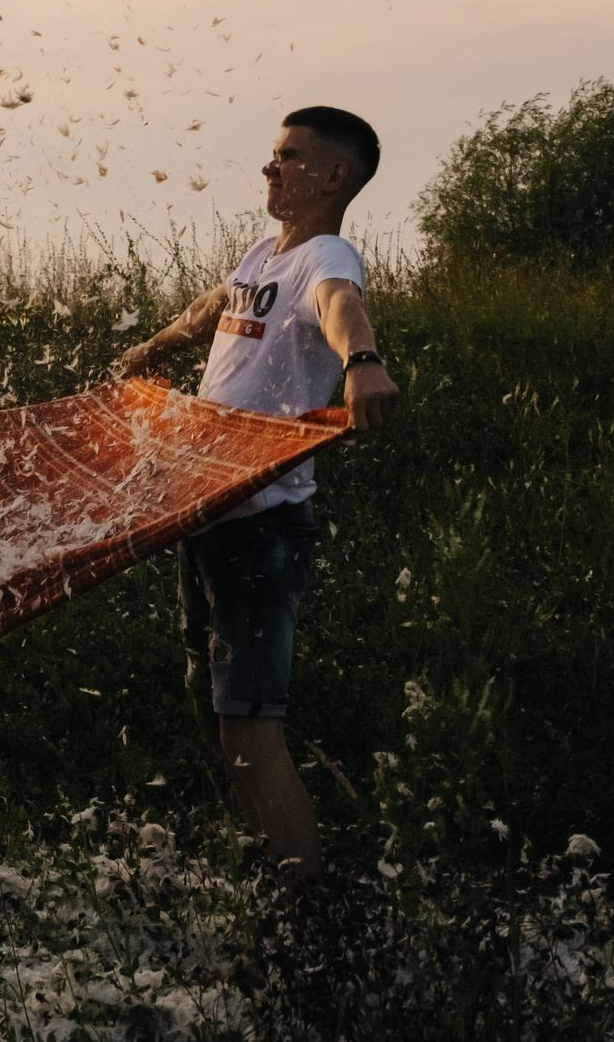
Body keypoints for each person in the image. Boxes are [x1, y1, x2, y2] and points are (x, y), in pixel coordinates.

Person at [115, 106, 401, 884]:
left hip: (260, 527)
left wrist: (362, 360)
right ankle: (272, 849)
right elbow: (215, 304)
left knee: (247, 724)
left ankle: (306, 906)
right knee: (209, 695)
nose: (270, 168)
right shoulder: (262, 255)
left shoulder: (326, 256)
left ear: (332, 176)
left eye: (289, 156)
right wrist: (156, 345)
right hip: (206, 510)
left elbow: (343, 306)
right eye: (274, 154)